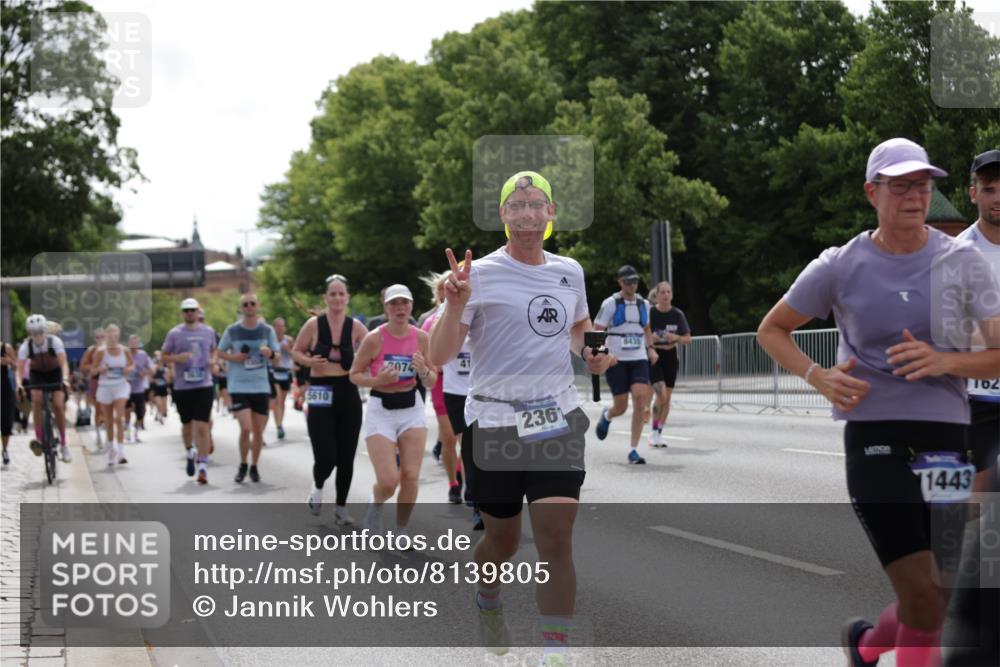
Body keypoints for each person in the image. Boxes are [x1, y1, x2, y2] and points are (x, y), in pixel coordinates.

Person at [756, 138, 1000, 667]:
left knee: (938, 592)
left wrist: (945, 361)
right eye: (900, 185)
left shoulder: (961, 262)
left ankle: (866, 645)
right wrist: (817, 375)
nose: (914, 196)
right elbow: (772, 330)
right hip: (876, 437)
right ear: (873, 192)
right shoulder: (841, 265)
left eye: (922, 185)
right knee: (920, 594)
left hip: (947, 442)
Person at [429, 170, 615, 662]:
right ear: (503, 215)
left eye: (537, 204)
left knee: (556, 537)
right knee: (503, 542)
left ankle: (554, 652)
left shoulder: (569, 271)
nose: (527, 213)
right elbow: (440, 354)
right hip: (494, 423)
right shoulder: (479, 275)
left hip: (554, 416)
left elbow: (579, 328)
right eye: (517, 204)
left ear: (551, 212)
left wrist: (593, 353)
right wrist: (453, 306)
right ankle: (489, 599)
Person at [350, 284, 436, 542]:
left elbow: (432, 380)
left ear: (411, 307)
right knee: (388, 481)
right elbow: (354, 374)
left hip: (412, 408)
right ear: (386, 308)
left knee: (410, 475)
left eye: (404, 303)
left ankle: (402, 529)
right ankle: (375, 505)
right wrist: (378, 380)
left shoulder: (421, 337)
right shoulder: (374, 338)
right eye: (394, 304)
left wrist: (422, 370)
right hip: (381, 409)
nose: (400, 308)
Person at [292, 274, 367, 523]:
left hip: (347, 389)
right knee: (326, 454)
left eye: (341, 293)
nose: (336, 298)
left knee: (346, 455)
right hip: (320, 389)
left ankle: (341, 508)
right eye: (332, 294)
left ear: (348, 297)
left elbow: (375, 348)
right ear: (325, 298)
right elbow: (296, 351)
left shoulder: (355, 326)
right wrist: (309, 361)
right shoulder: (313, 325)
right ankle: (318, 486)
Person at [956, 149, 1000, 494]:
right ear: (973, 193)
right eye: (988, 189)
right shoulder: (957, 253)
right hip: (978, 398)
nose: (998, 197)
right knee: (976, 506)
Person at [592, 265, 657, 464]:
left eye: (635, 281)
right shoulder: (611, 303)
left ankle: (633, 450)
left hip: (638, 358)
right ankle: (608, 415)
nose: (633, 285)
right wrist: (605, 353)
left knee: (640, 400)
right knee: (620, 406)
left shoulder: (643, 304)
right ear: (620, 282)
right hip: (616, 360)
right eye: (628, 281)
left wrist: (651, 348)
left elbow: (646, 328)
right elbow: (597, 329)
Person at [218, 293, 279, 483]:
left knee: (259, 432)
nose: (249, 307)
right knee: (246, 429)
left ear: (258, 306)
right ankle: (243, 463)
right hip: (239, 385)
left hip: (260, 385)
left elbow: (277, 358)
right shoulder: (232, 330)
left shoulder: (267, 330)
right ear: (241, 308)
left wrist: (269, 353)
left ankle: (254, 466)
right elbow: (219, 351)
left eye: (253, 303)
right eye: (246, 304)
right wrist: (234, 358)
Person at [161, 297, 217, 484]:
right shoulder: (175, 334)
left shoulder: (208, 332)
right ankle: (189, 451)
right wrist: (178, 358)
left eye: (193, 310)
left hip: (204, 384)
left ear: (198, 311)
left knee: (202, 425)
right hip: (183, 386)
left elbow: (214, 350)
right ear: (182, 313)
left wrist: (212, 360)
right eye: (186, 310)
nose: (190, 313)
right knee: (187, 426)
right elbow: (164, 356)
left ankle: (202, 467)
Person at [420, 271, 463, 502]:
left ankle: (463, 474)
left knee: (468, 439)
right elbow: (427, 355)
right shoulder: (430, 321)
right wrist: (433, 364)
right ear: (438, 294)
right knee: (448, 436)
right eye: (442, 290)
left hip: (465, 383)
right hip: (442, 384)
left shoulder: (469, 314)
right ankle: (453, 482)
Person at [16, 314, 72, 463]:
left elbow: (63, 364)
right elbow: (19, 370)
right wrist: (19, 384)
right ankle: (39, 438)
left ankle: (64, 444)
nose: (38, 336)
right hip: (37, 374)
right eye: (34, 333)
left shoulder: (55, 342)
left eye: (40, 332)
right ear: (30, 333)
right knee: (36, 400)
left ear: (45, 331)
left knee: (58, 404)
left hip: (55, 373)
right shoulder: (26, 347)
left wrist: (65, 379)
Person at [648, 281, 692, 447]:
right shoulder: (650, 313)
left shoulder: (677, 314)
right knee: (661, 395)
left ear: (671, 295)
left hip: (671, 357)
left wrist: (676, 338)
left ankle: (659, 432)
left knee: (667, 399)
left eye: (668, 292)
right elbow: (641, 334)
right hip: (654, 356)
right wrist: (650, 339)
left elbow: (688, 339)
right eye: (663, 292)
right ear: (657, 295)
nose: (666, 295)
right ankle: (652, 432)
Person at [91, 324, 134, 466]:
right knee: (109, 421)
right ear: (106, 336)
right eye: (109, 334)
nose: (112, 336)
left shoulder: (125, 351)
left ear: (118, 335)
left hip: (121, 386)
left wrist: (128, 369)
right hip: (105, 387)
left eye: (115, 334)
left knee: (118, 418)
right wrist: (100, 369)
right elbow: (93, 371)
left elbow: (132, 364)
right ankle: (111, 450)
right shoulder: (100, 352)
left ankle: (121, 452)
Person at [79, 327, 106, 448]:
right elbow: (83, 366)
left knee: (108, 409)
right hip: (95, 381)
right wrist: (94, 368)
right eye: (97, 337)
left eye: (102, 337)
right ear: (94, 338)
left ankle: (109, 433)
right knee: (98, 409)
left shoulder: (111, 349)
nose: (100, 339)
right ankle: (99, 435)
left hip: (110, 382)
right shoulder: (91, 350)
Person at [268, 317, 295, 440]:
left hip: (285, 372)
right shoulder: (270, 341)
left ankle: (280, 423)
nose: (280, 329)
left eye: (282, 326)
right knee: (278, 399)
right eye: (277, 326)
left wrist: (288, 350)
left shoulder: (288, 340)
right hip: (274, 372)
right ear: (273, 328)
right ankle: (278, 426)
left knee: (282, 401)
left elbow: (295, 355)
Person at [124, 335, 152, 443]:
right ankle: (127, 432)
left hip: (139, 388)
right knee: (127, 410)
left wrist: (143, 373)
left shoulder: (143, 355)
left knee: (141, 412)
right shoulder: (124, 354)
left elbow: (150, 369)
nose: (134, 346)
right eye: (132, 343)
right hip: (126, 388)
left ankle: (136, 432)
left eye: (136, 343)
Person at [1, 341, 17, 465]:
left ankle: (5, 449)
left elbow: (16, 366)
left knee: (6, 423)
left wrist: (9, 361)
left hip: (5, 389)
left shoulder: (5, 347)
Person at [150, 351, 170, 423]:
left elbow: (168, 381)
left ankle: (159, 414)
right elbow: (150, 379)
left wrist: (166, 378)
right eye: (158, 361)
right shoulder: (154, 368)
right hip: (156, 389)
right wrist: (155, 380)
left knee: (164, 406)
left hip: (163, 389)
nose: (159, 362)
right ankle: (160, 416)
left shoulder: (165, 370)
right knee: (159, 403)